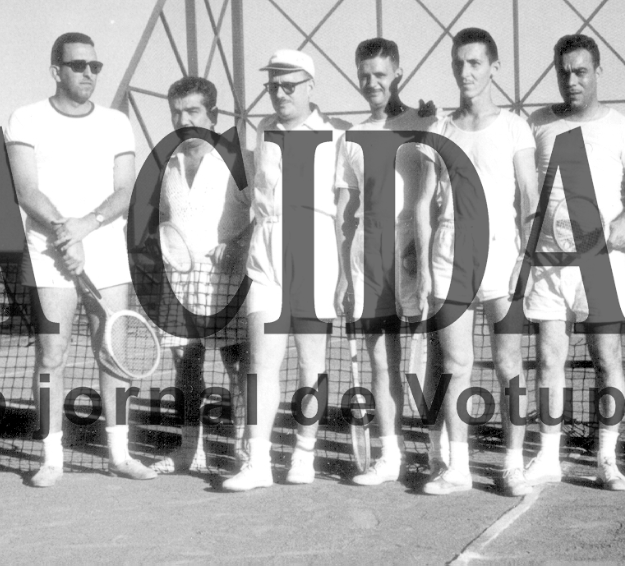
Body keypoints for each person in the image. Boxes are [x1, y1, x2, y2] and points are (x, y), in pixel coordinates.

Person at [6, 32, 155, 486]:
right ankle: (53, 459)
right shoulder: (26, 118)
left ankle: (119, 454)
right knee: (52, 353)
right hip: (49, 252)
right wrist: (62, 233)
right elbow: (26, 188)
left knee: (114, 351)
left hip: (105, 250)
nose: (89, 73)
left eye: (95, 66)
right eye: (78, 65)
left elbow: (126, 191)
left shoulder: (115, 123)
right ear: (57, 70)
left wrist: (84, 227)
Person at [524, 34, 625, 491]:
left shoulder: (622, 127)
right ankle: (547, 457)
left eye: (581, 71)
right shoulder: (536, 123)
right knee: (548, 360)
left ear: (598, 72)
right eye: (563, 72)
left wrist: (624, 221)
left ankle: (606, 459)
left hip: (601, 262)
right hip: (548, 262)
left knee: (607, 358)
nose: (571, 80)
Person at [413, 28, 538, 496]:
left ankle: (512, 466)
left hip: (502, 260)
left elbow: (528, 194)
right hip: (449, 261)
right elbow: (424, 205)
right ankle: (458, 467)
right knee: (455, 365)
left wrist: (526, 257)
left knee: (509, 364)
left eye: (475, 64)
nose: (465, 73)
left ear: (493, 68)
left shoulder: (513, 127)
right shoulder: (440, 130)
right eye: (458, 64)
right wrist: (426, 269)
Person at [223, 50, 350, 491]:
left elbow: (342, 214)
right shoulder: (264, 130)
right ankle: (257, 463)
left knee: (310, 364)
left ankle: (304, 453)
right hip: (267, 252)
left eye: (289, 85)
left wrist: (344, 273)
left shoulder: (335, 135)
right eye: (273, 85)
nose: (279, 93)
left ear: (311, 87)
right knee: (261, 363)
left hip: (315, 250)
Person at [334, 38, 436, 486]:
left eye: (380, 74)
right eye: (364, 75)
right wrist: (342, 274)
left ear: (397, 72)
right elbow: (344, 214)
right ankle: (390, 456)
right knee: (381, 364)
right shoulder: (350, 138)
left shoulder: (422, 121)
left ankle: (440, 453)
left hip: (417, 258)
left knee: (432, 362)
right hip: (368, 261)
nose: (372, 82)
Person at [149, 76, 251, 474]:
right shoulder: (166, 164)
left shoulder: (239, 160)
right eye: (176, 112)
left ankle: (245, 447)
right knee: (186, 367)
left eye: (192, 111)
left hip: (225, 276)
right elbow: (160, 219)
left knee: (238, 365)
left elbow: (267, 212)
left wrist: (239, 243)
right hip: (180, 280)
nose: (183, 119)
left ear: (214, 115)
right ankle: (190, 451)